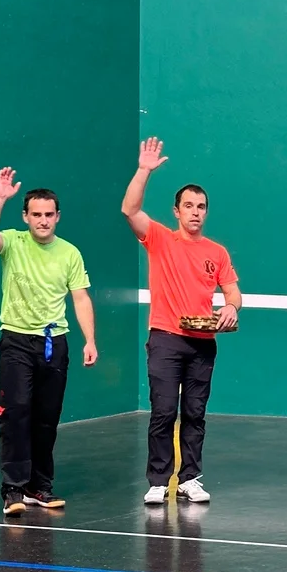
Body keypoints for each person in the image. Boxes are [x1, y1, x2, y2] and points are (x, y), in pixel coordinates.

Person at [121, 137, 242, 505]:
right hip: (165, 339)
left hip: (203, 344)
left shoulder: (217, 252)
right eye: (188, 206)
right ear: (176, 211)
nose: (195, 212)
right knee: (163, 411)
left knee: (195, 413)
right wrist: (144, 170)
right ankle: (158, 481)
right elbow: (129, 209)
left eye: (201, 207)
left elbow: (233, 291)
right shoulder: (159, 238)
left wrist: (231, 308)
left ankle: (190, 478)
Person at [0, 167, 98, 515]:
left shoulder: (70, 253)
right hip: (16, 341)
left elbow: (81, 298)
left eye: (49, 214)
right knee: (15, 414)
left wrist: (90, 340)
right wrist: (0, 198)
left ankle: (38, 487)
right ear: (25, 217)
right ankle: (13, 489)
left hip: (54, 344)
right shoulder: (12, 243)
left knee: (46, 418)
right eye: (36, 214)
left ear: (57, 216)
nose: (43, 220)